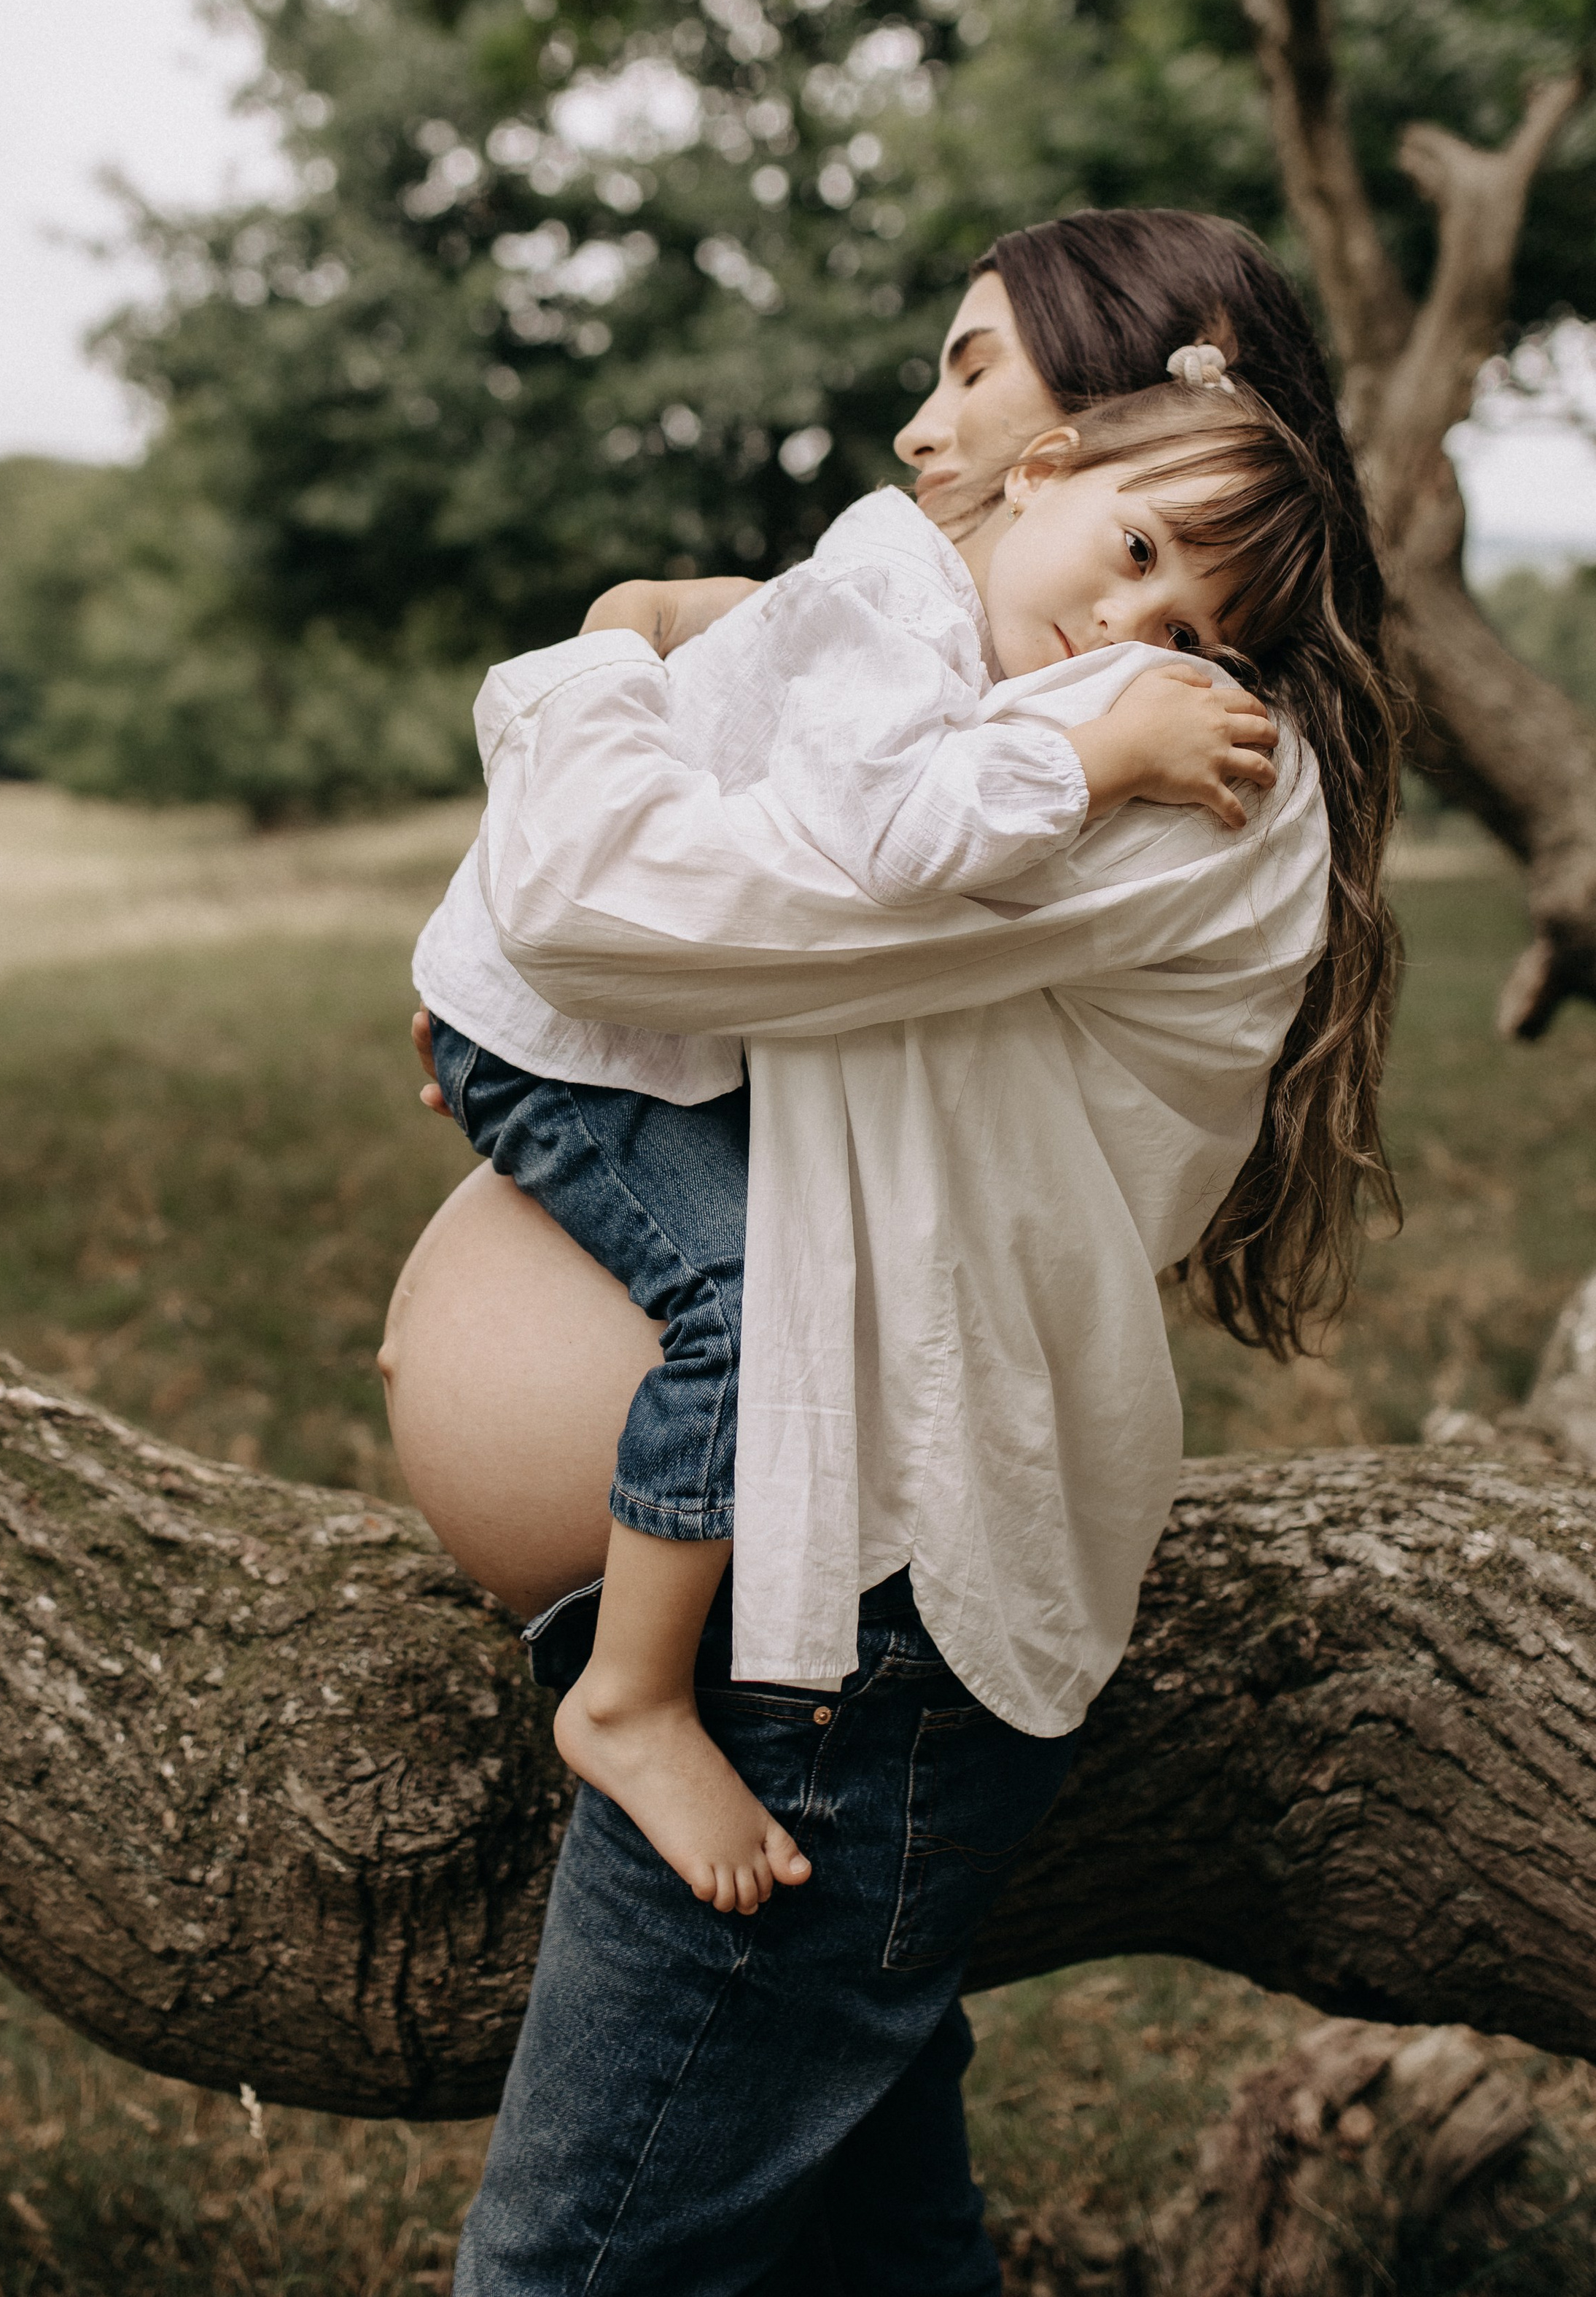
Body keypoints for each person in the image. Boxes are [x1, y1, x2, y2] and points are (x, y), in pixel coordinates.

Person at [381, 207, 1404, 2296]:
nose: (926, 430)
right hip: (796, 1598)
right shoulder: (998, 664)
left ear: (1154, 390)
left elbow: (597, 894)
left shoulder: (1157, 748)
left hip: (841, 1625)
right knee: (867, 2248)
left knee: (573, 2275)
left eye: (976, 369)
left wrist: (603, 643)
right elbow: (702, 899)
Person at [413, 360, 1289, 1913]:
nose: (1121, 635)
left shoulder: (945, 616)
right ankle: (626, 1696)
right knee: (743, 1307)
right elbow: (890, 836)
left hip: (606, 1028)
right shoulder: (889, 596)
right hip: (565, 1038)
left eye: (1182, 641)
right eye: (1136, 552)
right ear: (1045, 469)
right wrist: (1103, 756)